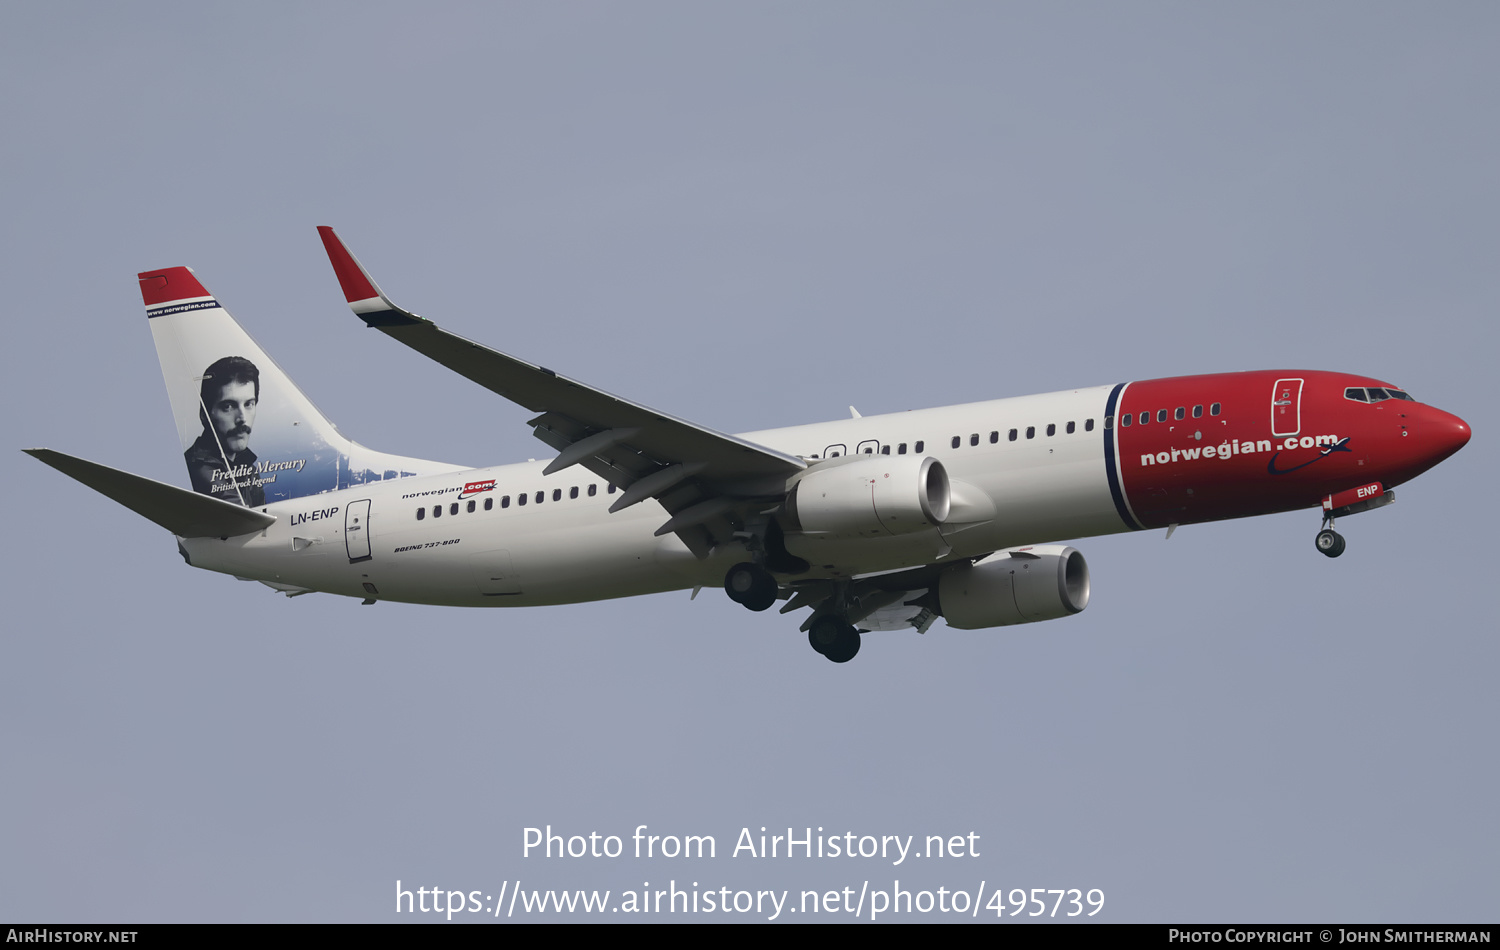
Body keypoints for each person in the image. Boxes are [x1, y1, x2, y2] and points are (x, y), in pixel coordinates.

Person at [184, 356, 265, 506]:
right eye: (228, 406)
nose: (242, 418)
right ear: (205, 415)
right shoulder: (200, 469)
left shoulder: (247, 468)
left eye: (249, 404)